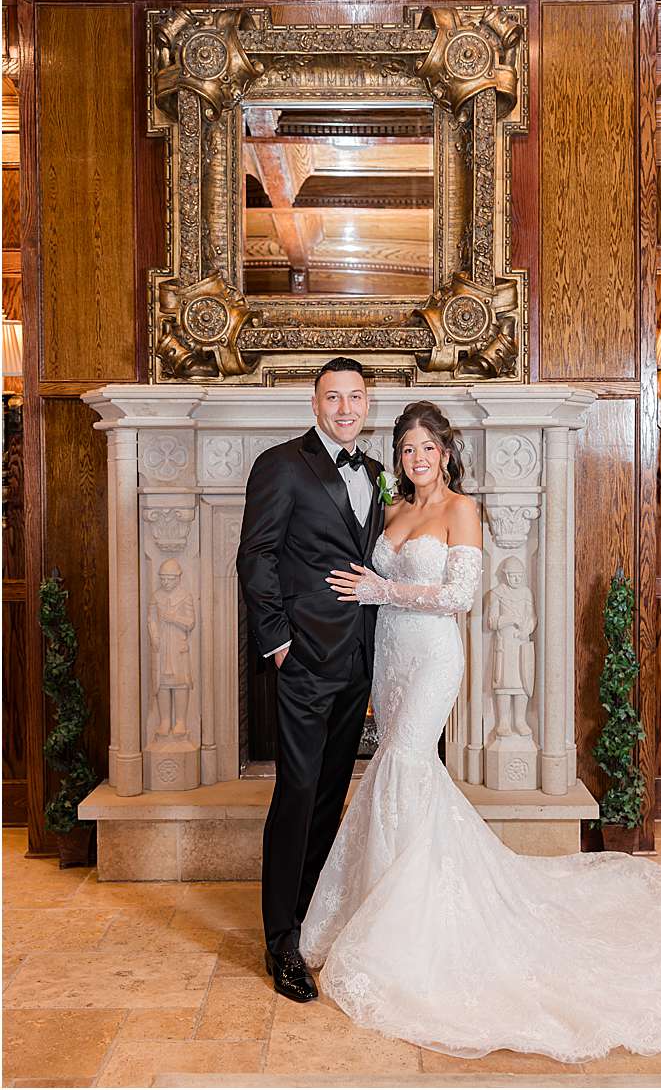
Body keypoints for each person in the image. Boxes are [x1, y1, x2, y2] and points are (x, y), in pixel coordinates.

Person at [304, 400, 661, 1061]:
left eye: (427, 447)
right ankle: (383, 896)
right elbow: (370, 583)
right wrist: (364, 600)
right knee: (403, 769)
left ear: (448, 453)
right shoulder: (394, 511)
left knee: (400, 762)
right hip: (390, 657)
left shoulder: (462, 510)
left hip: (431, 655)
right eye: (406, 449)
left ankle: (413, 926)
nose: (417, 458)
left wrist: (383, 591)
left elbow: (460, 597)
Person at [237, 356, 383, 1004]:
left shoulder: (379, 475)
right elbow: (256, 555)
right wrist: (276, 644)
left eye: (355, 398)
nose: (345, 408)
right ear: (314, 402)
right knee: (295, 796)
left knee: (330, 795)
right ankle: (279, 945)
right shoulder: (281, 464)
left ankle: (310, 919)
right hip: (301, 661)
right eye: (334, 397)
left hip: (356, 662)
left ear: (367, 406)